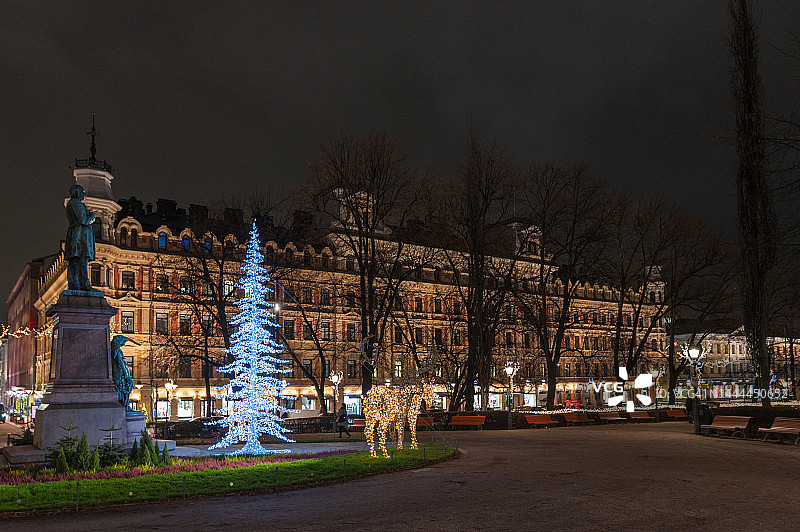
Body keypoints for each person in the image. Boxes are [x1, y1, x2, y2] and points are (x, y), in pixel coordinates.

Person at [65, 184, 96, 291]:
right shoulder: (76, 203)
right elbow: (83, 220)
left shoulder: (72, 203)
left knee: (74, 262)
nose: (84, 195)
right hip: (80, 236)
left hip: (76, 234)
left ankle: (74, 285)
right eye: (82, 192)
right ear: (77, 192)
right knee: (82, 260)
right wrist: (92, 216)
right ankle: (84, 285)